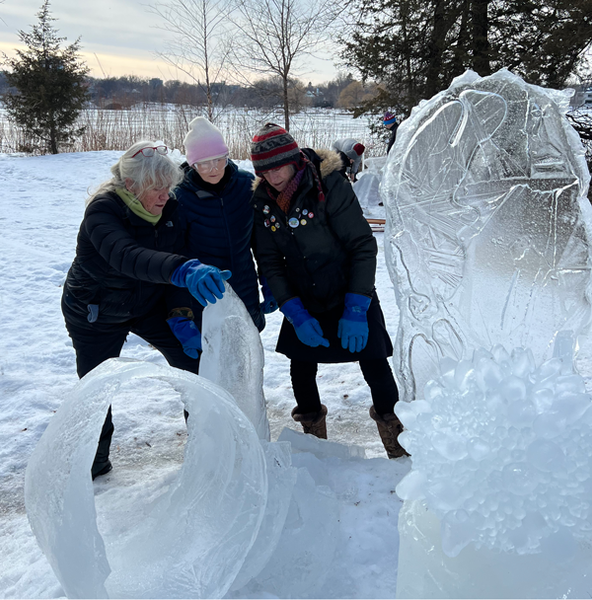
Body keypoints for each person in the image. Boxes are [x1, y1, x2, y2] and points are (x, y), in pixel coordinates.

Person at [61, 141, 232, 479]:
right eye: (156, 187)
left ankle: (207, 444)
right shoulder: (103, 211)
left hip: (148, 304)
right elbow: (127, 255)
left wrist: (180, 313)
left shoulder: (169, 210)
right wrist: (182, 269)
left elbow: (172, 268)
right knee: (97, 389)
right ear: (130, 185)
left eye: (168, 187)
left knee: (194, 364)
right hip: (96, 310)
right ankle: (93, 461)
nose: (165, 195)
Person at [249, 123, 408, 459]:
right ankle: (315, 444)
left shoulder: (328, 183)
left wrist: (356, 308)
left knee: (375, 365)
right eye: (264, 170)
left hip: (350, 289)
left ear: (293, 160)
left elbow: (363, 245)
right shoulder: (262, 200)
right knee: (301, 369)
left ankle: (398, 443)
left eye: (277, 167)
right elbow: (270, 261)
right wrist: (294, 312)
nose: (272, 177)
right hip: (303, 297)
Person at [175, 117, 277, 335]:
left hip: (245, 288)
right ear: (193, 164)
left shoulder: (246, 185)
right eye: (204, 163)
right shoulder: (180, 196)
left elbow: (261, 243)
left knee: (246, 356)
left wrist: (270, 284)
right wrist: (181, 314)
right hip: (204, 293)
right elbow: (175, 254)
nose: (213, 169)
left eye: (219, 160)